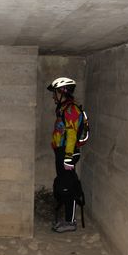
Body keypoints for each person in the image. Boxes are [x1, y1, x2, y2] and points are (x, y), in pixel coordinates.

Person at [47, 77, 89, 232]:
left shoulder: (70, 110)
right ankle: (67, 219)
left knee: (67, 187)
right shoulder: (64, 109)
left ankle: (70, 222)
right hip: (63, 152)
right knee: (65, 184)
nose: (53, 96)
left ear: (62, 92)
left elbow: (71, 136)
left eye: (55, 93)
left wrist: (68, 157)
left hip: (67, 153)